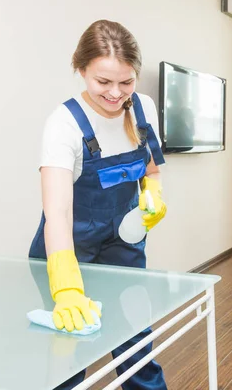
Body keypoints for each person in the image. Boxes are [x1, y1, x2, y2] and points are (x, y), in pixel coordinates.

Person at [28, 20, 168, 390]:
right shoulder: (64, 124)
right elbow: (56, 213)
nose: (116, 94)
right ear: (81, 69)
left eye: (127, 82)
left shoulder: (143, 109)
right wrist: (67, 287)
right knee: (70, 352)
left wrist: (152, 192)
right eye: (103, 82)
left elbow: (151, 169)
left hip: (124, 246)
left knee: (137, 340)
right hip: (67, 250)